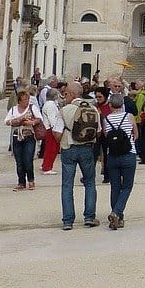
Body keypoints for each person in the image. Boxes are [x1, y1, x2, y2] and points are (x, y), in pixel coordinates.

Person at [58, 81, 100, 229]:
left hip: (69, 147)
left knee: (67, 184)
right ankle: (89, 216)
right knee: (89, 182)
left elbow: (57, 133)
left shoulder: (64, 110)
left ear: (72, 94)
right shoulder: (93, 108)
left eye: (66, 94)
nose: (64, 97)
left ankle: (68, 220)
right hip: (87, 148)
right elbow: (98, 130)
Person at [102, 94, 137, 229]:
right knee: (127, 186)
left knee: (115, 186)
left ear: (110, 105)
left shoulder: (106, 119)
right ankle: (117, 212)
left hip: (113, 155)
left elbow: (106, 135)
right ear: (122, 104)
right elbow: (136, 133)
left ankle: (117, 218)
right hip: (128, 154)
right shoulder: (129, 116)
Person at [4, 89, 43, 190]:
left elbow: (39, 118)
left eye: (27, 99)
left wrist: (32, 123)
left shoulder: (32, 108)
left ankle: (31, 180)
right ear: (19, 101)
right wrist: (16, 121)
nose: (26, 101)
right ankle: (21, 181)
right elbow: (7, 121)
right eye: (24, 100)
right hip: (17, 136)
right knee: (19, 161)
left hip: (29, 136)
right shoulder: (13, 109)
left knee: (28, 159)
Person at [40, 87, 63, 174]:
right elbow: (52, 118)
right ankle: (47, 167)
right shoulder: (50, 105)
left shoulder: (49, 104)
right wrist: (55, 130)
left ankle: (45, 164)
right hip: (51, 129)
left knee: (49, 148)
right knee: (51, 149)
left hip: (50, 129)